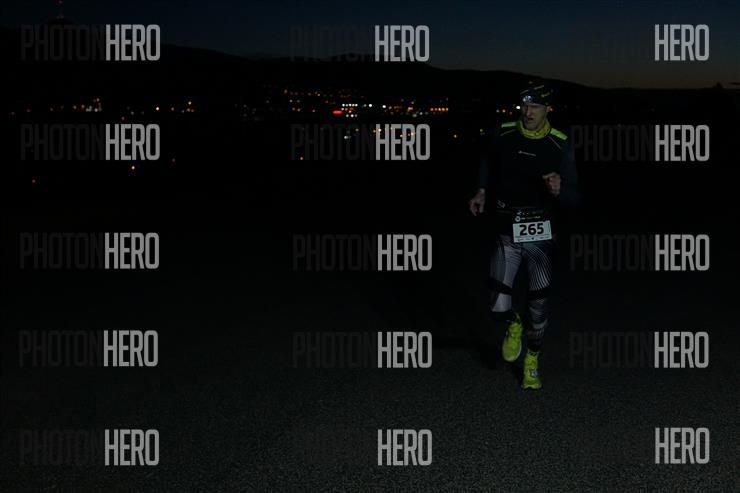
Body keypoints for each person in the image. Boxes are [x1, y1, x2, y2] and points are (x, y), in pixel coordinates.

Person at [468, 79, 580, 389]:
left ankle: (532, 358)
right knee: (497, 306)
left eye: (535, 106)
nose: (528, 112)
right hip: (507, 232)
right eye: (524, 105)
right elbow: (486, 160)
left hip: (540, 237)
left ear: (548, 109)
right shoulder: (503, 132)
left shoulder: (560, 143)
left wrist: (561, 190)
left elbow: (576, 197)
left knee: (538, 306)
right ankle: (514, 324)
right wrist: (481, 190)